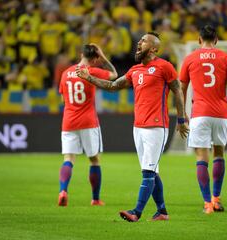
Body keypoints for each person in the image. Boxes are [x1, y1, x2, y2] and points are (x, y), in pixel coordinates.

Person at [76, 32, 189, 222]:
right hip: (138, 127)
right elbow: (113, 85)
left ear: (154, 48)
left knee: (148, 171)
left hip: (157, 126)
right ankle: (162, 212)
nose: (139, 42)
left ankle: (136, 212)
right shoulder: (134, 70)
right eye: (140, 40)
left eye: (144, 41)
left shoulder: (164, 66)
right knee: (152, 171)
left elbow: (177, 90)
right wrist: (89, 78)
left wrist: (181, 119)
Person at [179, 25, 227, 214]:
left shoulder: (190, 58)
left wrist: (182, 114)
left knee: (201, 157)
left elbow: (181, 89)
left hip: (200, 113)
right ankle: (217, 199)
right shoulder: (226, 57)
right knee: (219, 154)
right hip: (221, 113)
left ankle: (207, 203)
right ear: (216, 40)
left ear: (199, 40)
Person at [58, 44, 118, 206]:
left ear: (80, 54)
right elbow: (114, 75)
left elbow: (63, 100)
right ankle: (95, 198)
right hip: (88, 121)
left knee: (69, 158)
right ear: (95, 59)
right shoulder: (91, 71)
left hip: (69, 121)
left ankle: (63, 190)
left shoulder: (65, 73)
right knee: (94, 160)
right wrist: (104, 58)